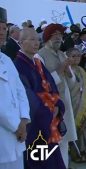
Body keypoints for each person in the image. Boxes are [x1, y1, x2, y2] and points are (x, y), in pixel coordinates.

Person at [14, 28, 66, 169]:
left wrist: (57, 104)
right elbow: (26, 95)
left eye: (37, 39)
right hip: (36, 122)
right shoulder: (18, 65)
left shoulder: (37, 62)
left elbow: (51, 85)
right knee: (40, 161)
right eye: (31, 39)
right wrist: (49, 110)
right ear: (21, 42)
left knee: (52, 157)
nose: (36, 43)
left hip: (49, 116)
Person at [38, 24, 77, 168]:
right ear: (47, 37)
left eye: (60, 35)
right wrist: (60, 69)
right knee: (53, 142)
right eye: (55, 35)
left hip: (64, 102)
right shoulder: (40, 56)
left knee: (64, 141)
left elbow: (71, 81)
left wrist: (68, 71)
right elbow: (42, 84)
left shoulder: (62, 54)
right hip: (50, 106)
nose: (58, 38)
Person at [0, 7, 30, 169]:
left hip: (18, 134)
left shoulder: (6, 59)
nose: (2, 32)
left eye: (4, 28)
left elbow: (20, 91)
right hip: (4, 136)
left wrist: (24, 119)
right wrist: (17, 126)